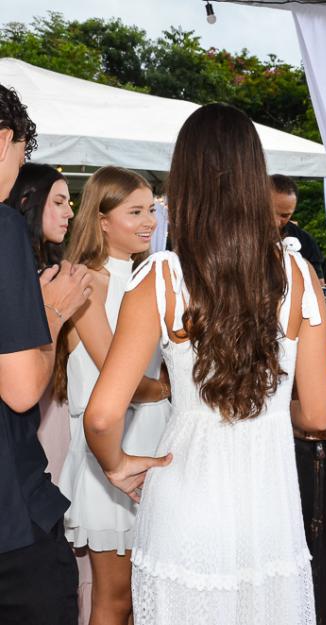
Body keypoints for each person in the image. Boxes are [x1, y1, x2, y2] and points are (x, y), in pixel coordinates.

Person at [83, 103, 326, 625]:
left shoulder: (161, 277)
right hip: (269, 512)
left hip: (185, 504)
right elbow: (318, 414)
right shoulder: (299, 274)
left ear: (185, 182)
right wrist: (265, 414)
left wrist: (117, 466)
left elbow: (102, 416)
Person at [56, 166, 171, 625]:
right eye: (135, 212)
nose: (149, 222)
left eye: (152, 211)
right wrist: (172, 388)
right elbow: (116, 374)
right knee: (116, 598)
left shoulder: (150, 279)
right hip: (109, 444)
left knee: (150, 595)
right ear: (102, 220)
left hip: (156, 437)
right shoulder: (85, 282)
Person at [0, 84, 92, 625]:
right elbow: (19, 390)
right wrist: (54, 313)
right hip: (11, 520)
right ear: (3, 141)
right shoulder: (3, 227)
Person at [7, 162, 73, 272]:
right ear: (26, 203)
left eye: (68, 203)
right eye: (58, 202)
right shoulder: (9, 263)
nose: (70, 213)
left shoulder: (48, 262)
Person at [270, 173, 325, 281]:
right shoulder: (241, 237)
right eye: (270, 213)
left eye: (285, 216)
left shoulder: (305, 241)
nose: (276, 222)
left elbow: (319, 284)